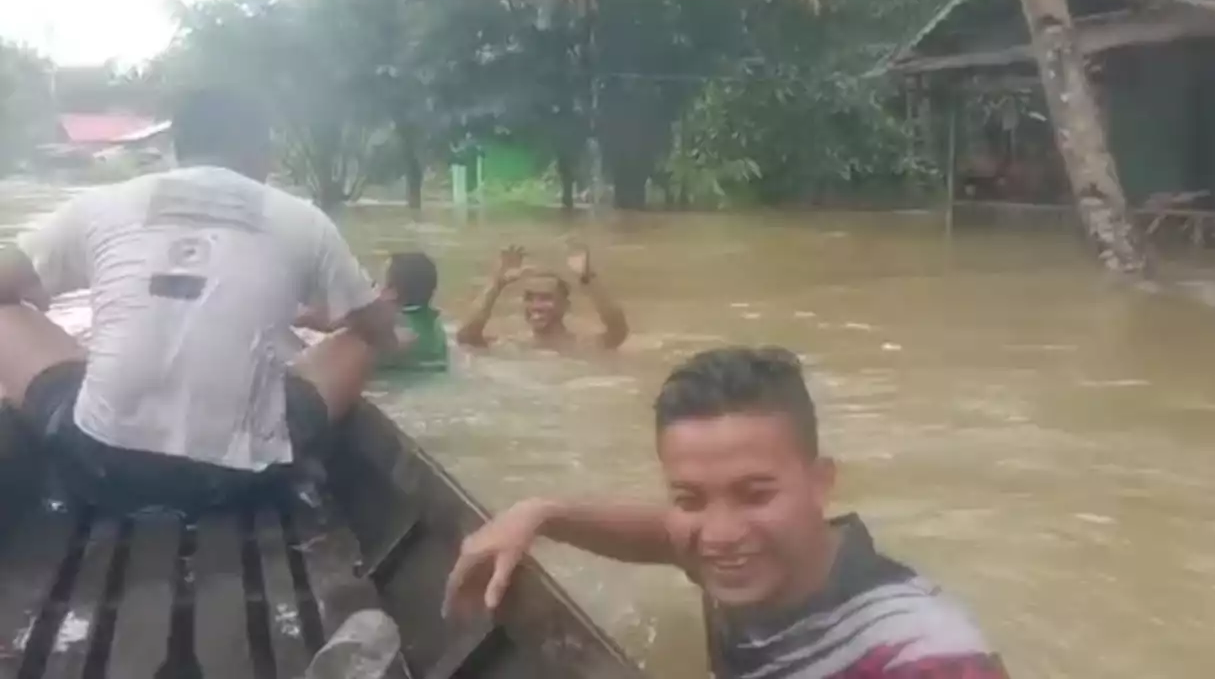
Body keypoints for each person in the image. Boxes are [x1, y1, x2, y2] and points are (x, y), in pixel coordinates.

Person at [444, 347, 1009, 679]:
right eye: (690, 499)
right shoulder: (748, 559)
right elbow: (660, 537)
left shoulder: (927, 658)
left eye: (755, 494)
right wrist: (542, 514)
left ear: (821, 484)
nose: (718, 534)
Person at [0, 86, 400, 514]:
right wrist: (381, 333)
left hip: (99, 466)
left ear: (176, 147)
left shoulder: (101, 204)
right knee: (366, 338)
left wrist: (34, 298)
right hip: (243, 482)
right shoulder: (304, 220)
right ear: (261, 151)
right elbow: (376, 327)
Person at [455, 243, 628, 352]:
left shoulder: (584, 345)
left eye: (546, 298)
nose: (535, 306)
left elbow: (618, 329)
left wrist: (588, 278)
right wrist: (496, 284)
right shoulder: (511, 345)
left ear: (565, 306)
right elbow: (466, 337)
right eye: (529, 298)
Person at [299, 251, 449, 375]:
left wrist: (295, 316)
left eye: (376, 283)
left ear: (391, 293)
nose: (373, 288)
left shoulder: (381, 325)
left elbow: (332, 321)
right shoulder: (437, 327)